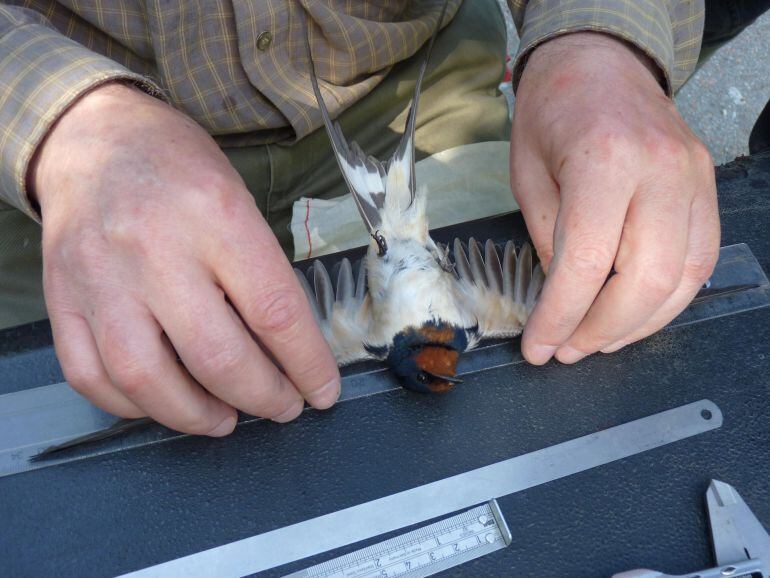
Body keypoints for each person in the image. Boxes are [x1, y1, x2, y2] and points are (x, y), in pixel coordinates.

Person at [0, 1, 761, 437]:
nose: (446, 363)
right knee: (93, 407)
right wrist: (59, 122)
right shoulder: (484, 321)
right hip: (61, 161)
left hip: (405, 82)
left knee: (609, 316)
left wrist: (598, 35)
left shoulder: (372, 337)